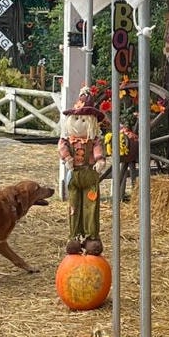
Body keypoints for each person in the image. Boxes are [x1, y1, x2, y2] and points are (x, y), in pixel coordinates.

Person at [57, 90, 107, 255]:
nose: (80, 122)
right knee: (74, 205)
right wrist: (67, 158)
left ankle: (92, 237)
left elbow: (98, 150)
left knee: (91, 206)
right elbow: (62, 147)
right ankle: (74, 237)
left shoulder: (94, 141)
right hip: (75, 176)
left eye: (84, 119)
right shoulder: (67, 140)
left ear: (92, 122)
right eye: (77, 118)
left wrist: (100, 160)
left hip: (90, 175)